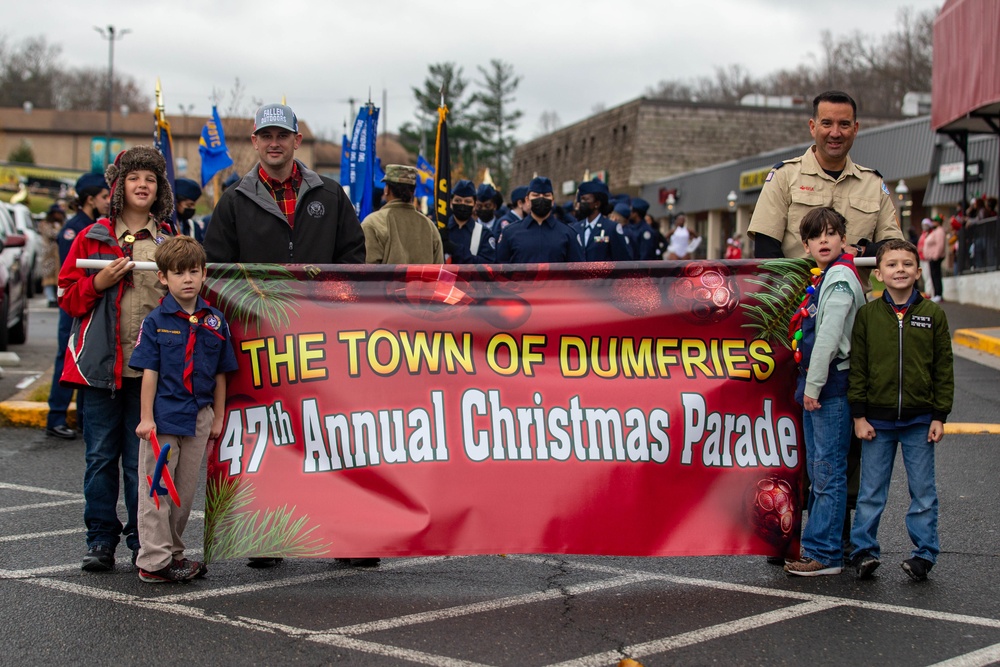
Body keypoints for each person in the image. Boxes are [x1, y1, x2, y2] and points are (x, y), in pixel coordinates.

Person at [59, 146, 175, 572]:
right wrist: (98, 282)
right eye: (133, 178)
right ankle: (100, 538)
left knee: (140, 460)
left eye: (150, 178)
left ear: (159, 188)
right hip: (99, 372)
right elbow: (66, 298)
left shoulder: (168, 242)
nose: (141, 184)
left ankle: (142, 539)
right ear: (118, 186)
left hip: (148, 374)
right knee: (100, 458)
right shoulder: (92, 238)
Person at [130, 236, 238, 582]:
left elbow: (221, 373)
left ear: (204, 273)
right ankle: (154, 560)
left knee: (184, 493)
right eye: (179, 273)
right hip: (163, 418)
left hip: (199, 416)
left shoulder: (214, 321)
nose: (188, 279)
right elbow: (149, 372)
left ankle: (175, 553)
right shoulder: (156, 321)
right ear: (163, 278)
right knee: (157, 490)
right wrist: (146, 418)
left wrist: (218, 417)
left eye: (194, 271)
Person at [848, 239, 954, 581]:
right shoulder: (867, 315)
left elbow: (943, 368)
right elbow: (858, 367)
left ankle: (924, 554)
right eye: (892, 265)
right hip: (876, 421)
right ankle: (863, 551)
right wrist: (859, 415)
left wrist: (939, 415)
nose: (900, 270)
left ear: (919, 271)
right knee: (870, 492)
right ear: (878, 274)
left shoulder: (933, 315)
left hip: (919, 420)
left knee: (923, 492)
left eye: (907, 264)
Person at [784, 208, 866, 577]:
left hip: (831, 385)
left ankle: (826, 552)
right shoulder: (826, 276)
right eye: (816, 236)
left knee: (828, 472)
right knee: (820, 473)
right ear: (806, 244)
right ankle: (820, 545)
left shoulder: (841, 278)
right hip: (818, 383)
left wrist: (813, 387)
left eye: (831, 234)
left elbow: (830, 337)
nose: (824, 241)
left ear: (843, 239)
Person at [748, 90, 902, 276]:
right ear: (813, 127)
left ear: (855, 129)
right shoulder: (784, 177)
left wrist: (860, 251)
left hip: (854, 301)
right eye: (827, 123)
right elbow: (766, 252)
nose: (835, 133)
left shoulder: (873, 184)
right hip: (797, 299)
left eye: (844, 124)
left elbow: (895, 248)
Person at [203, 103, 365, 264]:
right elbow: (217, 269)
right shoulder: (233, 201)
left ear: (297, 140)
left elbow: (352, 255)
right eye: (266, 136)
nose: (274, 144)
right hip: (256, 291)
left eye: (282, 135)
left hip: (319, 291)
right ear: (255, 141)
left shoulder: (330, 195)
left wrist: (330, 289)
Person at [46, 174, 111, 441]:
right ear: (89, 199)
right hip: (75, 301)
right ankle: (56, 417)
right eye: (104, 197)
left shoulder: (98, 226)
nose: (108, 202)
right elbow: (69, 273)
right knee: (67, 358)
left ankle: (83, 419)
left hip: (91, 301)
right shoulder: (75, 229)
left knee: (89, 362)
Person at [361, 165, 443, 264]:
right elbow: (439, 271)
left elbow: (367, 272)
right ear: (413, 192)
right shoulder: (430, 227)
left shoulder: (373, 223)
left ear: (387, 190)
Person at [497, 177, 585, 263]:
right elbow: (500, 271)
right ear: (527, 200)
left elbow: (577, 272)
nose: (541, 198)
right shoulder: (510, 233)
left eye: (546, 195)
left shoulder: (568, 234)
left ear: (552, 201)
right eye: (536, 195)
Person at [571, 180, 631, 261]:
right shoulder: (575, 228)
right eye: (581, 199)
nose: (582, 203)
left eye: (586, 199)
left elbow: (621, 258)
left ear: (597, 203)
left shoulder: (611, 228)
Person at [444, 179, 496, 264]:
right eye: (458, 201)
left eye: (467, 201)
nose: (462, 204)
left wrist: (456, 250)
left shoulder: (484, 234)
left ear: (475, 205)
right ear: (451, 202)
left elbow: (487, 266)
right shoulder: (440, 229)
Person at [39, 204, 66, 307]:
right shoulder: (45, 224)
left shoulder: (62, 224)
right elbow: (52, 234)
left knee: (58, 276)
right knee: (48, 276)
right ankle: (50, 298)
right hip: (48, 254)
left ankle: (57, 298)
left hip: (58, 253)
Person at [174, 177, 207, 243]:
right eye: (189, 205)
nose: (192, 208)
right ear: (176, 202)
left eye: (193, 205)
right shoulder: (166, 226)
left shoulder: (194, 227)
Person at [923, 216, 946, 302]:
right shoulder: (935, 231)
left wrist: (936, 255)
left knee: (936, 275)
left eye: (934, 221)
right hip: (931, 257)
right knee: (933, 275)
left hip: (935, 257)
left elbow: (940, 245)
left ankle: (938, 294)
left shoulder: (940, 231)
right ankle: (936, 293)